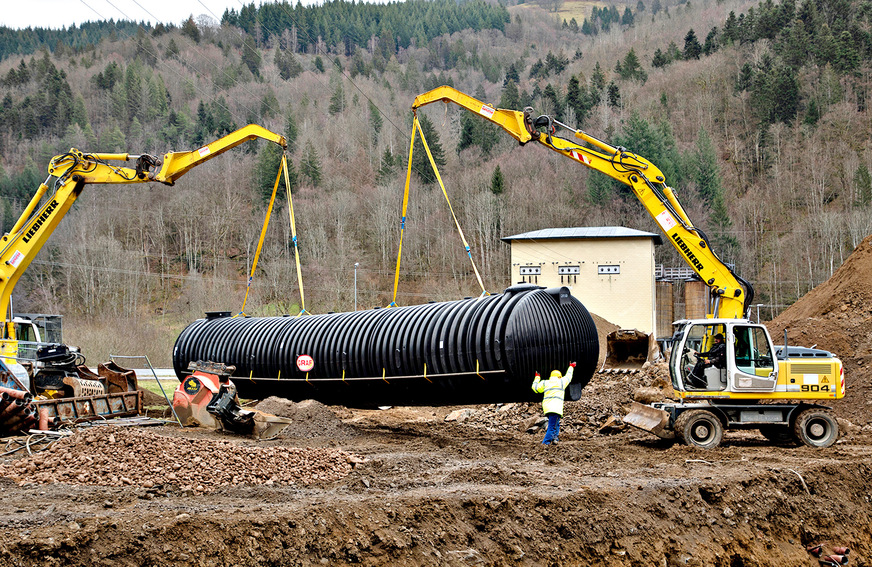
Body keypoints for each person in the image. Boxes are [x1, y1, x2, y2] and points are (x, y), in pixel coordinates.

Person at [531, 362, 575, 445]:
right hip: (556, 408)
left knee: (556, 423)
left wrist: (537, 377)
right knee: (552, 426)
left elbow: (535, 388)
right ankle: (545, 443)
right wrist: (571, 367)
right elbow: (569, 377)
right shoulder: (561, 382)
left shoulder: (545, 383)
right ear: (559, 377)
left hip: (547, 408)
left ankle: (555, 439)